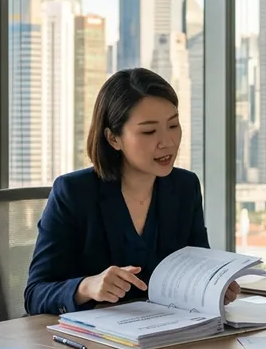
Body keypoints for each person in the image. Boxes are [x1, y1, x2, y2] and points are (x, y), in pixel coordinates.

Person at [24, 67, 239, 316]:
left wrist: (214, 286)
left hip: (168, 338)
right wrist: (86, 287)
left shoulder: (185, 187)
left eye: (173, 125)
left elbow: (198, 269)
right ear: (113, 138)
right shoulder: (73, 192)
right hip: (94, 347)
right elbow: (35, 294)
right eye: (149, 131)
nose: (167, 142)